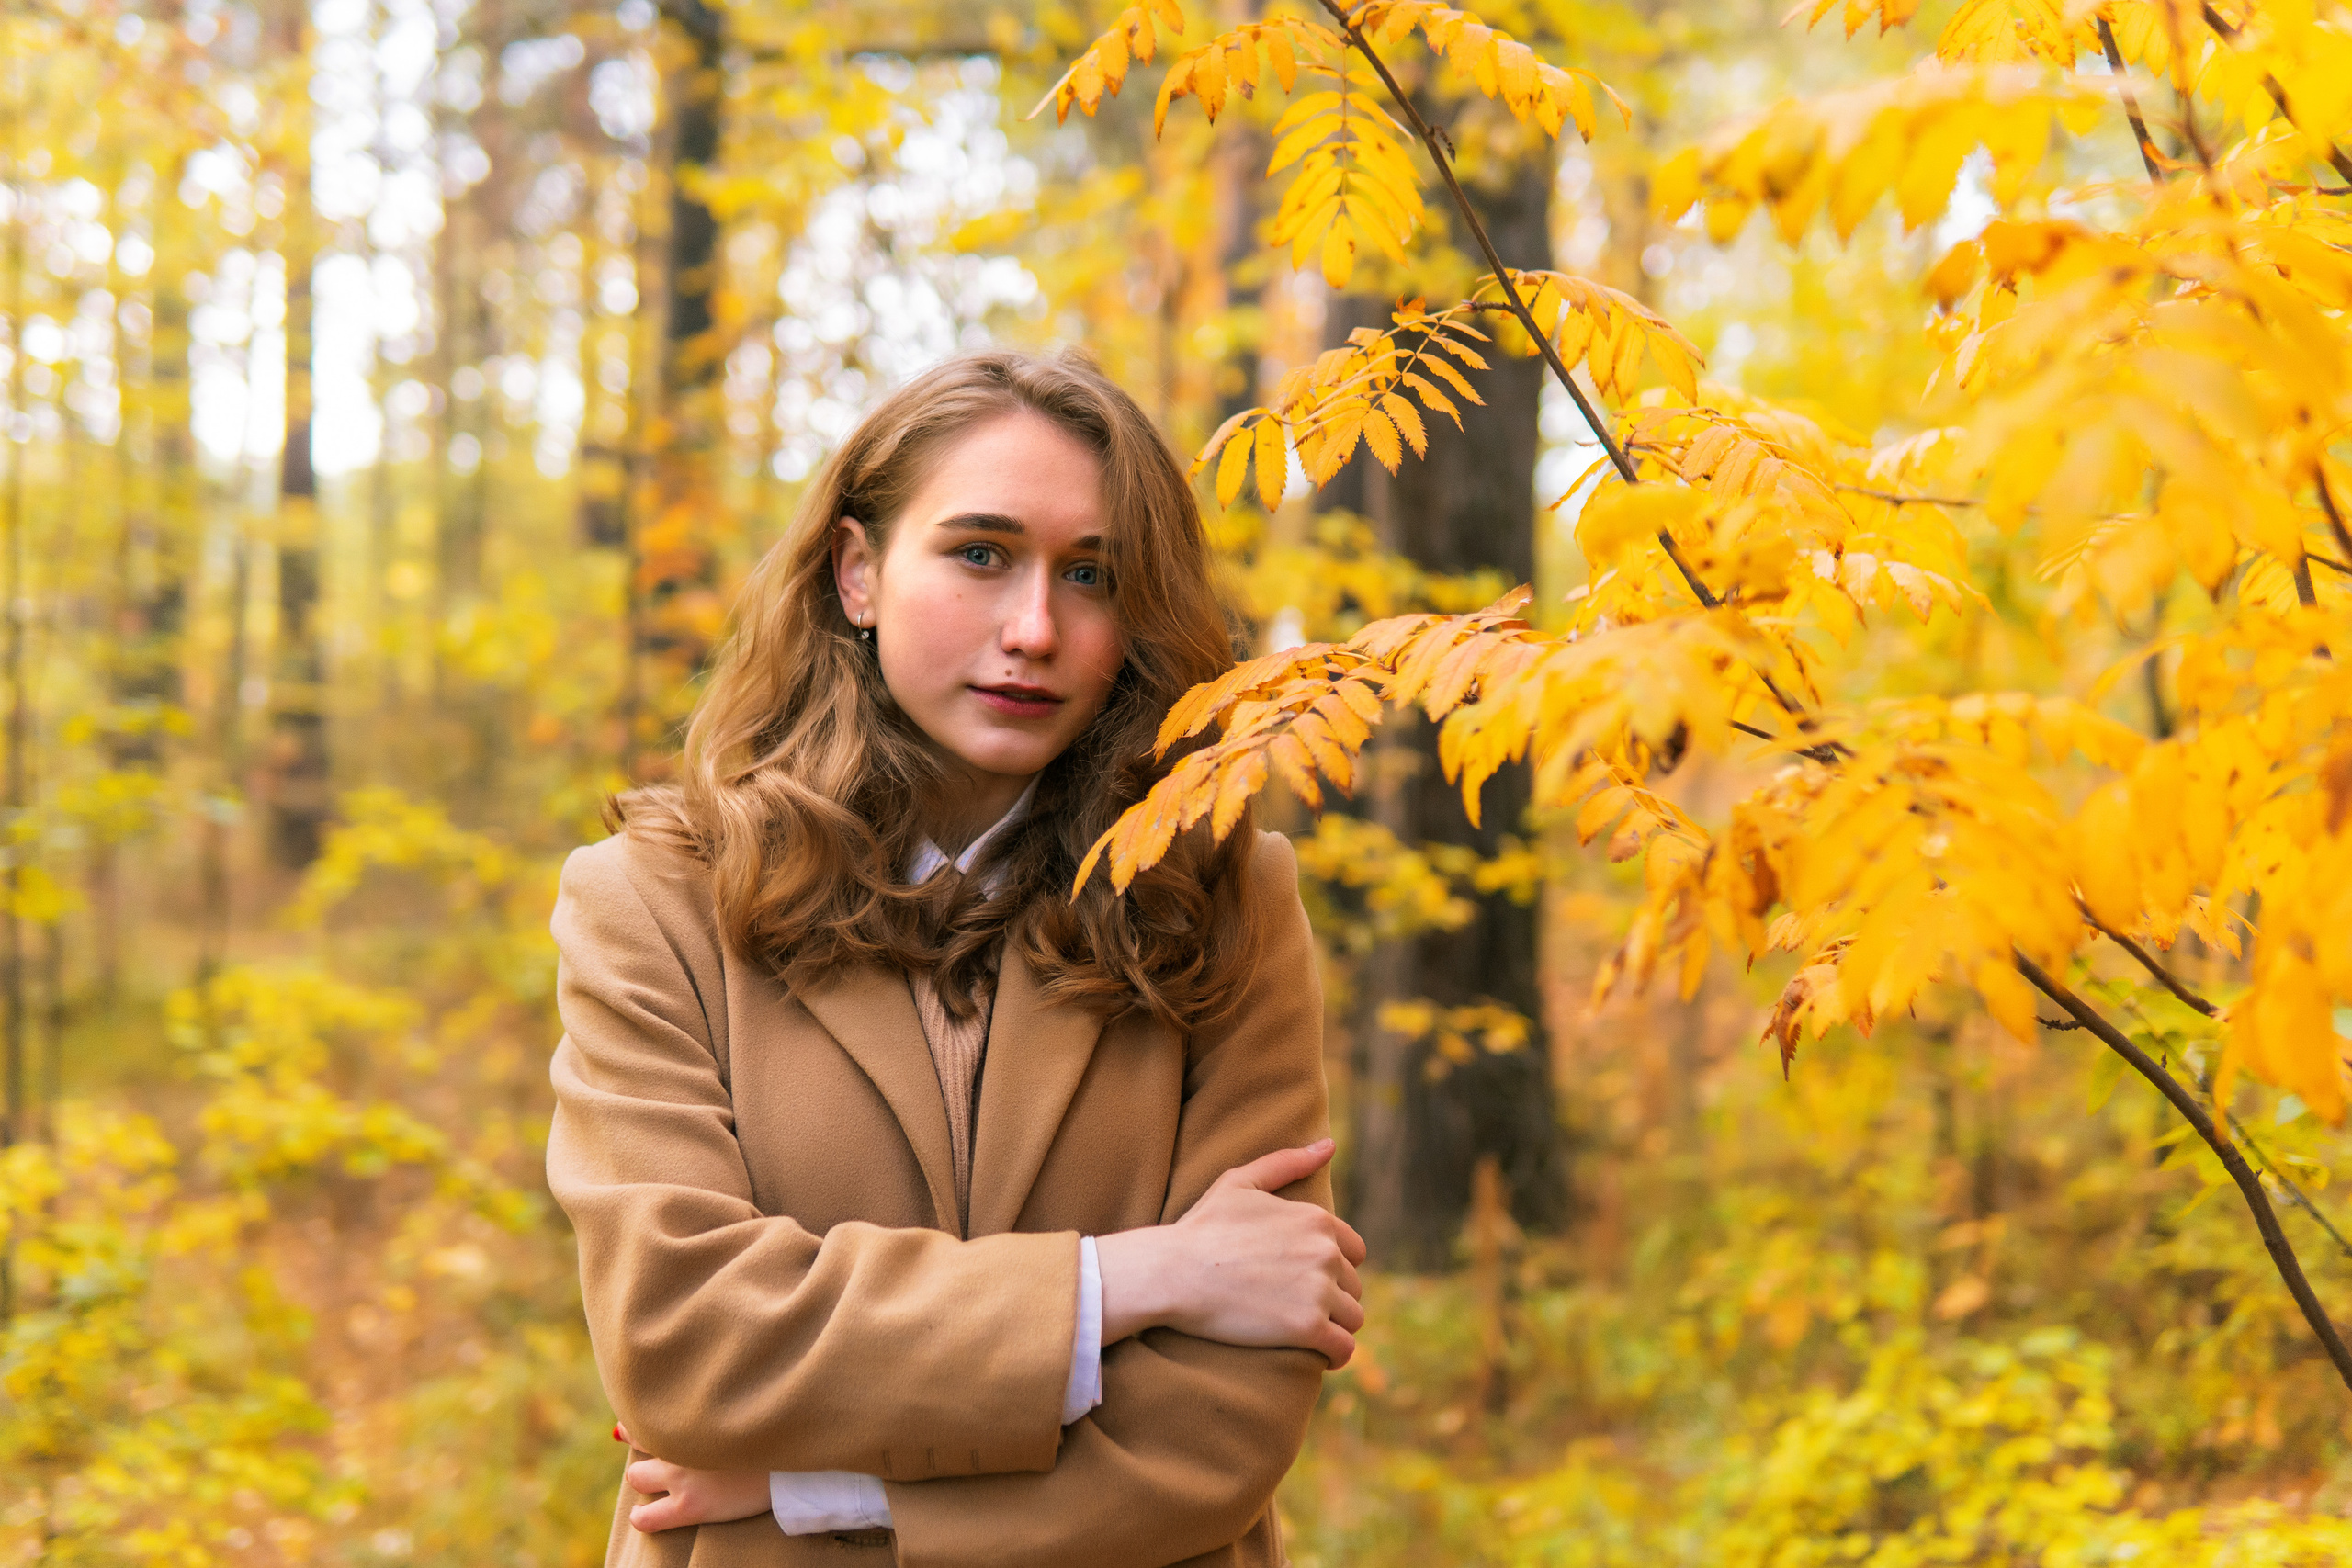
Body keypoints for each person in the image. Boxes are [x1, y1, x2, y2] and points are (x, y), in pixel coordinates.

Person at [546, 347, 1364, 1568]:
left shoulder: (1224, 896)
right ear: (860, 572)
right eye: (980, 553)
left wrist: (816, 1490)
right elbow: (685, 1341)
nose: (1034, 629)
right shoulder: (651, 904)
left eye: (1091, 574)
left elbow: (1220, 1428)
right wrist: (1133, 1279)